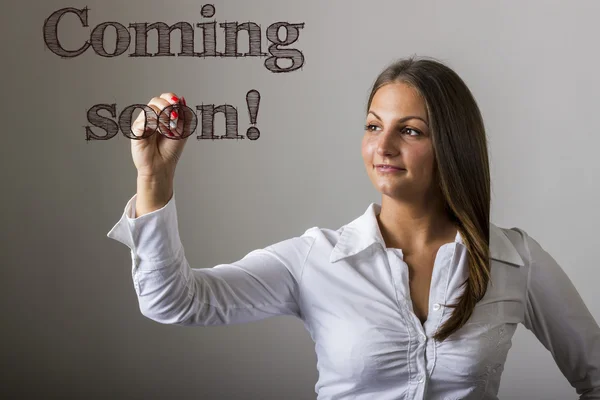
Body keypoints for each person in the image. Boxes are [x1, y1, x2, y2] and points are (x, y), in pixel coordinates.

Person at [107, 56, 600, 399]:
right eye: (372, 126)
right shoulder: (315, 260)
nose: (382, 146)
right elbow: (173, 302)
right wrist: (155, 177)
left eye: (409, 130)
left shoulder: (514, 260)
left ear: (452, 144)